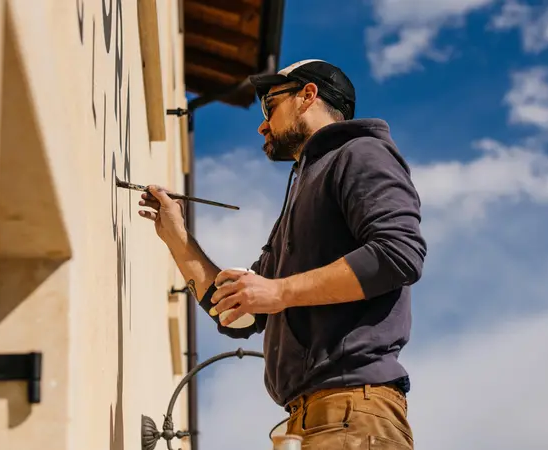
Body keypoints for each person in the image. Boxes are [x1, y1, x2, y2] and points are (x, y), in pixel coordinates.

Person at [137, 59, 427, 449]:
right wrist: (176, 238)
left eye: (268, 106)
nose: (261, 125)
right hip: (310, 419)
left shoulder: (360, 152)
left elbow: (398, 253)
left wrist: (280, 292)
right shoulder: (302, 195)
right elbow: (239, 313)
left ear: (308, 95)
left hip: (352, 413)